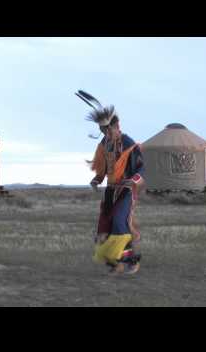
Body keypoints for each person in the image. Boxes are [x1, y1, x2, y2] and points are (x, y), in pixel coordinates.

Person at [75, 90, 145, 274]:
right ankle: (115, 262)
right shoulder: (103, 145)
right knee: (105, 225)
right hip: (110, 190)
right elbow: (103, 168)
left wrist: (133, 180)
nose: (105, 133)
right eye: (102, 130)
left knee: (120, 222)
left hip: (126, 190)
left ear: (115, 125)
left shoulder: (129, 143)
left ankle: (130, 261)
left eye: (107, 129)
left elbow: (141, 168)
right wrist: (97, 179)